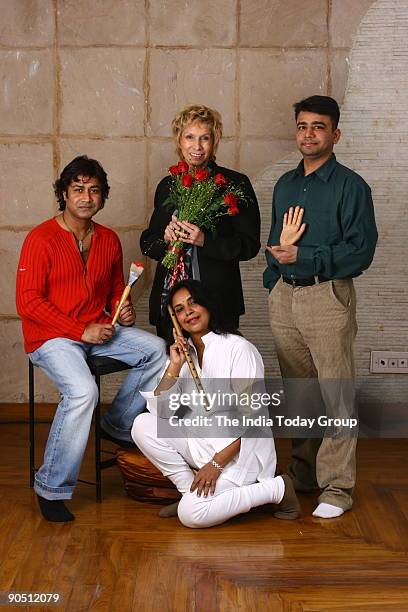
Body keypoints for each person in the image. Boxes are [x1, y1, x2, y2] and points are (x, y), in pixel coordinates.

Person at [16, 155, 166, 523]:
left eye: (94, 191)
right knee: (84, 391)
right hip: (51, 337)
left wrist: (122, 307)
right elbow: (28, 301)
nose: (86, 197)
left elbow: (115, 288)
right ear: (64, 194)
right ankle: (51, 487)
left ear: (102, 197)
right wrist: (79, 330)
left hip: (98, 329)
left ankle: (116, 424)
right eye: (78, 189)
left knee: (157, 351)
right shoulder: (40, 238)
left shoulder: (109, 239)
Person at [264, 96, 378, 519]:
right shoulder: (285, 185)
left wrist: (305, 259)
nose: (308, 134)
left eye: (318, 126)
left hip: (327, 296)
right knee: (301, 394)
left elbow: (360, 252)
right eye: (302, 125)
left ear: (335, 134)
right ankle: (305, 473)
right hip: (285, 298)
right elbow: (278, 243)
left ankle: (337, 488)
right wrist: (274, 277)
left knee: (336, 395)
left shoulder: (351, 186)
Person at [131, 279, 300, 528]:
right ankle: (190, 490)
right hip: (202, 441)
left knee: (192, 515)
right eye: (179, 309)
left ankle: (276, 488)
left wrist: (216, 463)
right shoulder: (183, 352)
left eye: (193, 302)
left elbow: (255, 421)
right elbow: (161, 411)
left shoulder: (238, 349)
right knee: (142, 424)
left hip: (239, 454)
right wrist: (175, 367)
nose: (188, 311)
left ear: (208, 304)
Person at [140, 104, 260, 337]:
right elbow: (148, 242)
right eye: (190, 137)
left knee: (217, 371)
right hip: (170, 300)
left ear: (214, 141)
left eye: (205, 138)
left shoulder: (235, 184)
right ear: (179, 140)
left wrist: (205, 240)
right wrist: (166, 238)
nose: (197, 146)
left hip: (217, 301)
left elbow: (249, 245)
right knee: (176, 369)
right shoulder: (167, 185)